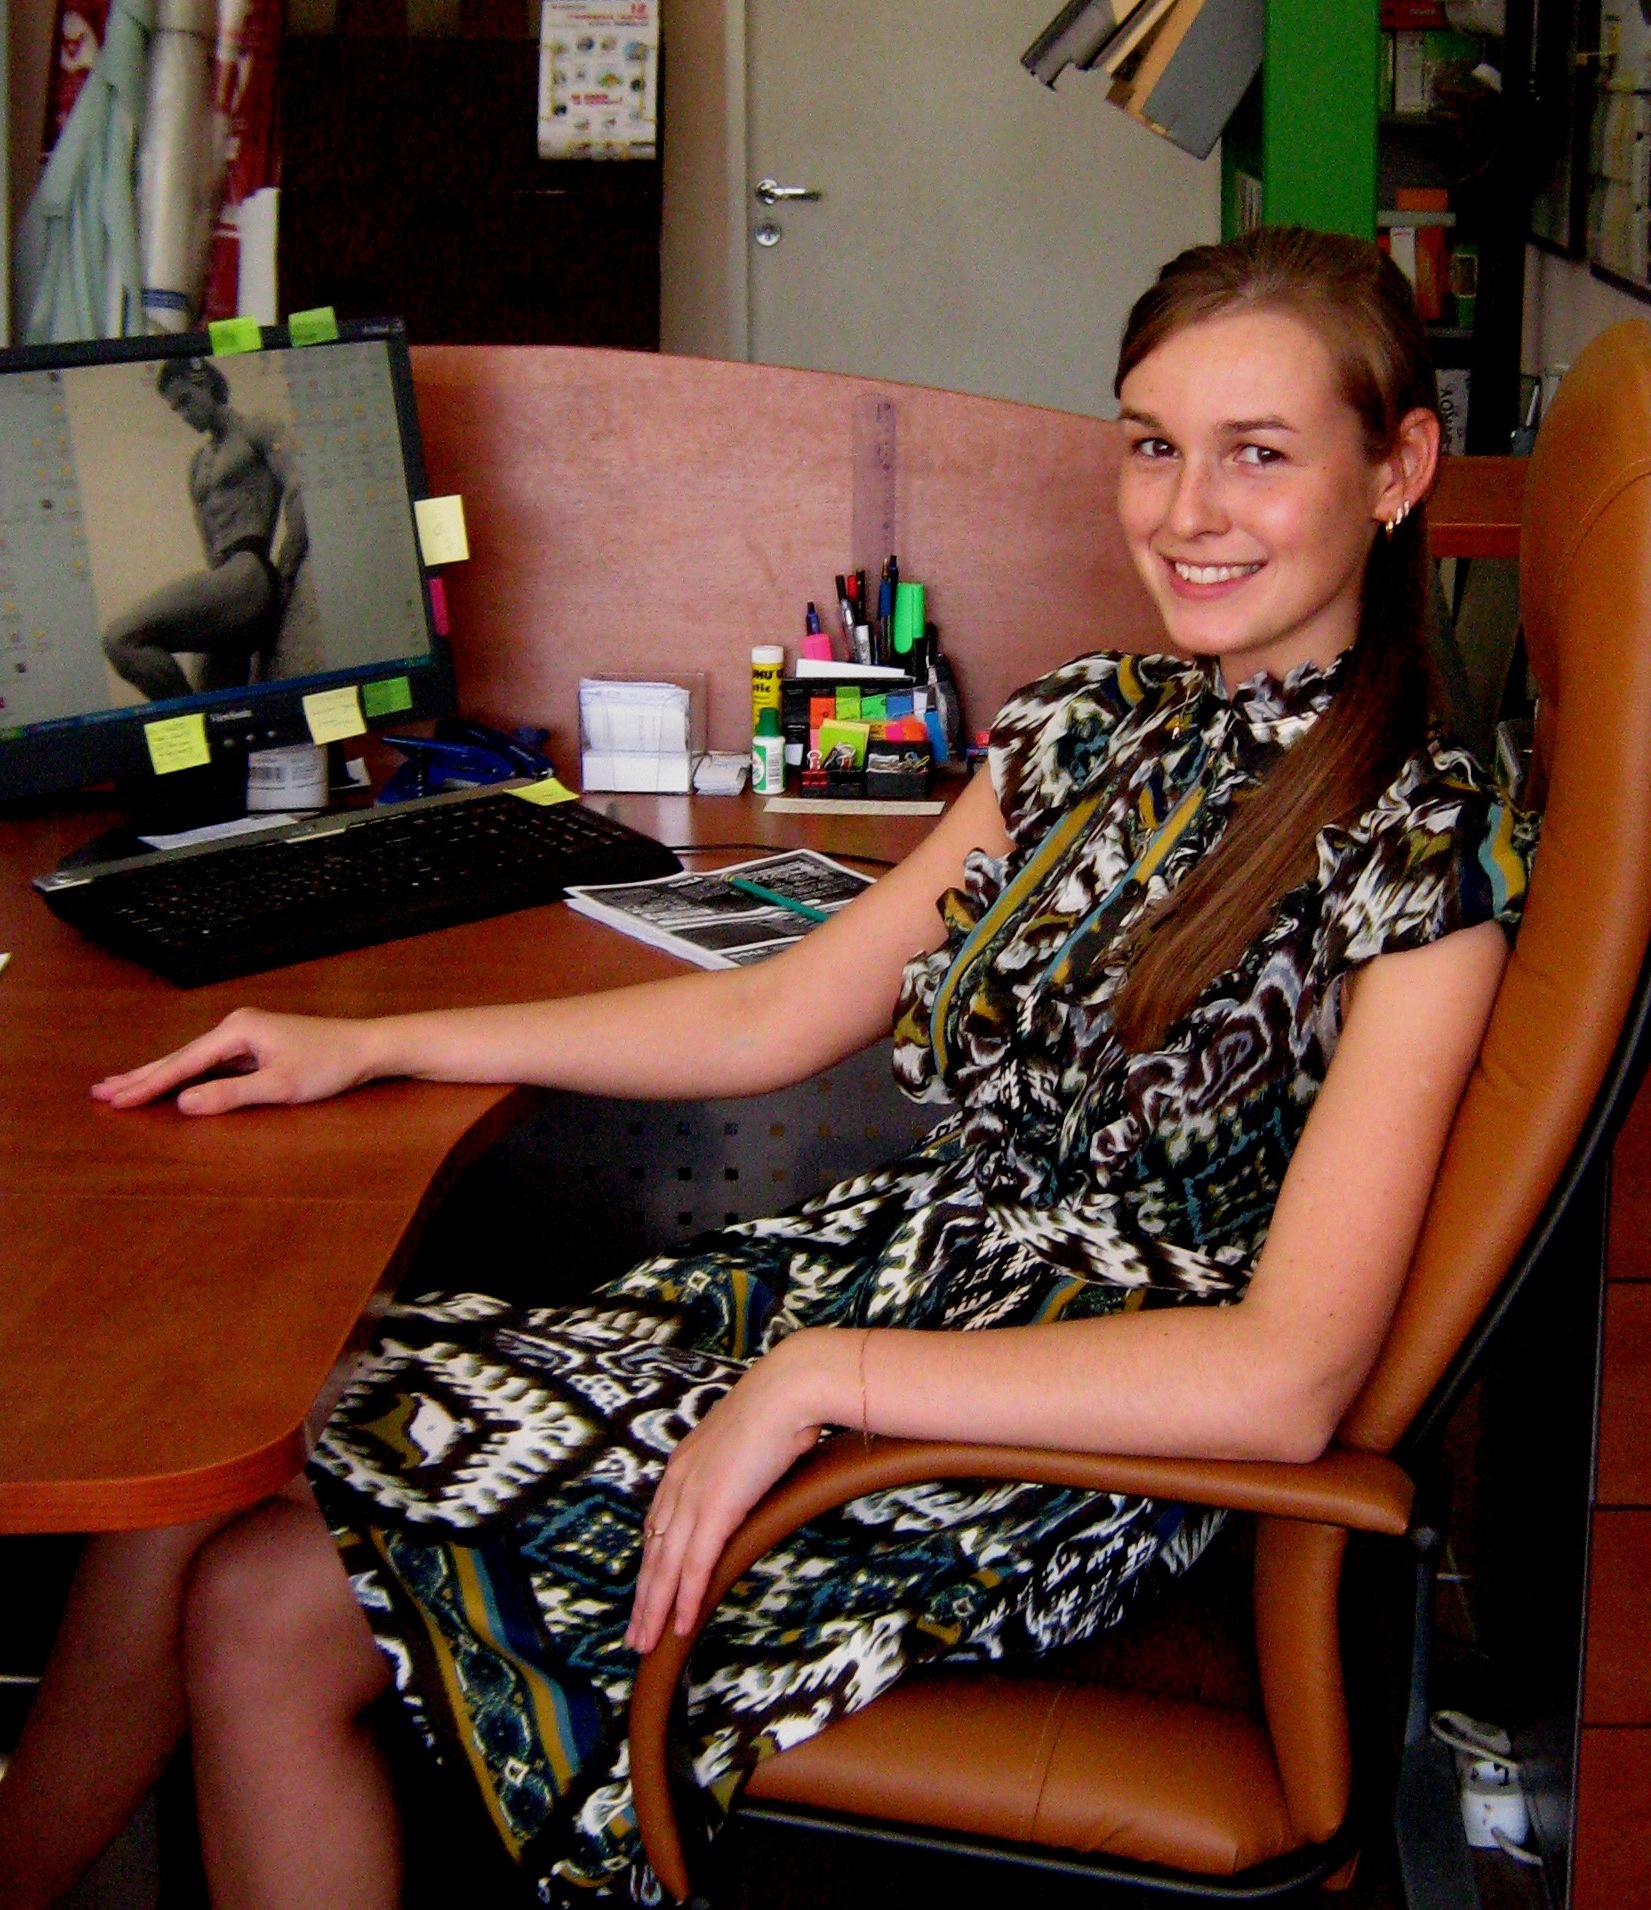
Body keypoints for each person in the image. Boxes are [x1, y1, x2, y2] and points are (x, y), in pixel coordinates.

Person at [0, 227, 1540, 1910]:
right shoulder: (1093, 724)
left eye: (1256, 454)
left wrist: (824, 1382)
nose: (1184, 512)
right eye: (1151, 445)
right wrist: (369, 1042)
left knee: (260, 1605)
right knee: (219, 1465)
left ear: (1396, 469)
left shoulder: (1422, 851)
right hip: (871, 1297)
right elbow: (775, 1010)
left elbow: (1285, 1377)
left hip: (1042, 1446)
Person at [102, 357, 309, 703]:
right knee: (216, 710)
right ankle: (197, 728)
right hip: (226, 582)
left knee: (120, 639)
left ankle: (191, 724)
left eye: (186, 401)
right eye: (176, 409)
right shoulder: (198, 465)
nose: (184, 415)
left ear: (205, 383)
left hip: (250, 573)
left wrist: (287, 570)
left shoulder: (255, 429)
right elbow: (209, 544)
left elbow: (299, 488)